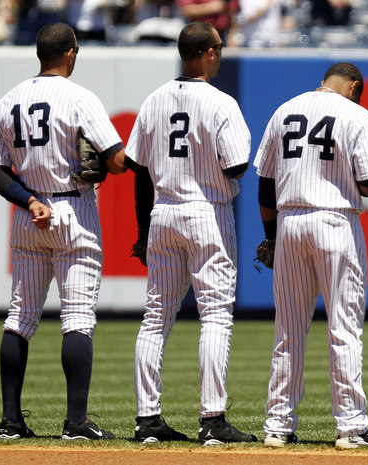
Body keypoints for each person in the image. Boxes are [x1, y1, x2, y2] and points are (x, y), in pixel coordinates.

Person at [0, 22, 126, 441]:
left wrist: (29, 201)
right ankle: (76, 422)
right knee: (78, 318)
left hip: (30, 210)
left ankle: (10, 421)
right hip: (73, 208)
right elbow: (116, 162)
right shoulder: (80, 97)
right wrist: (103, 163)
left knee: (20, 317)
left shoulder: (8, 100)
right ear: (70, 52)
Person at [123, 21, 256, 446]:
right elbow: (236, 165)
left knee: (156, 315)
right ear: (209, 53)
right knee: (215, 314)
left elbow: (139, 172)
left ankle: (147, 420)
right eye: (219, 47)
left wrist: (143, 229)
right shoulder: (220, 102)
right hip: (206, 211)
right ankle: (212, 420)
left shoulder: (154, 99)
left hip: (163, 211)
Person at [253, 62, 368, 449]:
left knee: (288, 331)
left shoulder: (284, 109)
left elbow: (265, 185)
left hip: (290, 222)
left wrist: (271, 236)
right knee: (344, 328)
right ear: (353, 86)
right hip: (334, 221)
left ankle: (277, 426)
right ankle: (351, 427)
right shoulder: (357, 113)